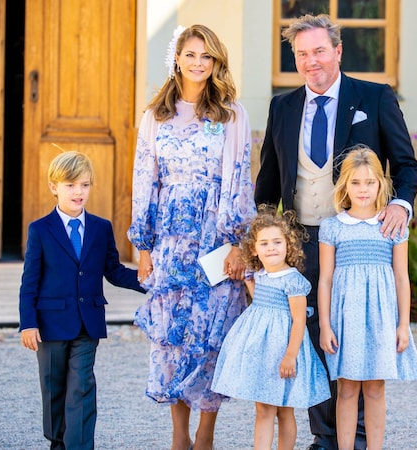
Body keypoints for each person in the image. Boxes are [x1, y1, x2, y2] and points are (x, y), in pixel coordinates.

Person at [253, 14, 417, 450]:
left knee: (359, 334)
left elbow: (405, 165)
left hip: (359, 239)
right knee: (311, 336)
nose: (312, 62)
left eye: (320, 51)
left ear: (338, 51)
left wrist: (400, 205)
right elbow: (268, 181)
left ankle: (361, 438)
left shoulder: (375, 97)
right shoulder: (282, 107)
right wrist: (266, 241)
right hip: (302, 237)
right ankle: (326, 438)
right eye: (302, 54)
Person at [128, 24, 257, 450]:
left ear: (216, 62)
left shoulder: (232, 114)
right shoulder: (155, 116)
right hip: (169, 239)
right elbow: (145, 180)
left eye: (207, 56)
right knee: (173, 334)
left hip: (216, 238)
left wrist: (240, 242)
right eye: (190, 54)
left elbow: (240, 179)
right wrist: (143, 247)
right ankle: (178, 435)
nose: (198, 63)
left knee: (210, 332)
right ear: (177, 59)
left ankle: (206, 434)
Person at [19, 151, 145, 450]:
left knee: (82, 389)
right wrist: (28, 323)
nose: (79, 192)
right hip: (50, 325)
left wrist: (150, 282)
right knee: (54, 389)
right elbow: (30, 282)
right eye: (71, 185)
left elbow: (113, 271)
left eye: (85, 185)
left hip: (88, 323)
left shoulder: (101, 227)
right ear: (54, 187)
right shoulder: (40, 229)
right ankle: (57, 442)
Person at [318, 146, 417, 450]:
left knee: (376, 388)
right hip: (345, 318)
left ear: (381, 184)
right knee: (347, 389)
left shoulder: (392, 225)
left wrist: (403, 325)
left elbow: (401, 279)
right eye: (355, 182)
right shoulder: (332, 227)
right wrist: (325, 325)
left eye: (370, 182)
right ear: (345, 186)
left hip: (381, 318)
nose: (363, 190)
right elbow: (325, 280)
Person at [211, 206, 331, 450]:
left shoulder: (293, 279)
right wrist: (250, 282)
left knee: (285, 410)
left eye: (277, 242)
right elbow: (261, 302)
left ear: (289, 245)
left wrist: (290, 356)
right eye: (264, 243)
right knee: (263, 408)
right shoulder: (261, 274)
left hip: (285, 349)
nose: (271, 248)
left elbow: (299, 320)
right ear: (254, 249)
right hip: (262, 350)